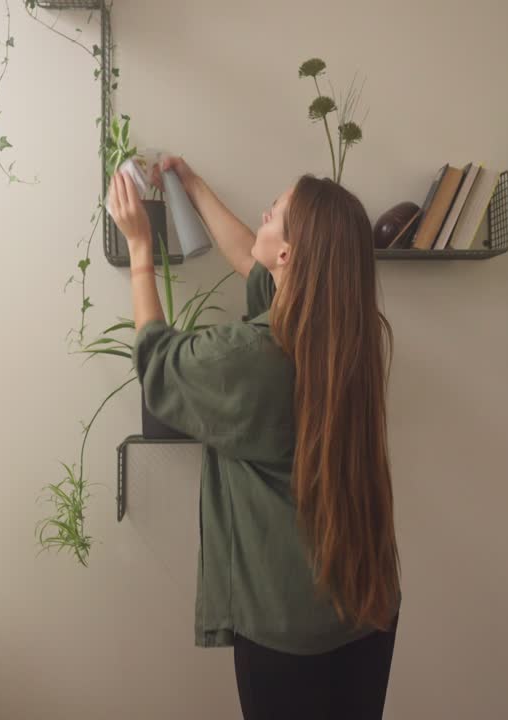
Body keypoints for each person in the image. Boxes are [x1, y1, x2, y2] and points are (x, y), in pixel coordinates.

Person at [106, 155, 401, 720]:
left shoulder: (252, 357)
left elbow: (158, 364)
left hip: (288, 626)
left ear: (289, 255)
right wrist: (190, 184)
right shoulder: (346, 335)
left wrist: (142, 251)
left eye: (275, 211)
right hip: (368, 603)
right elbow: (251, 257)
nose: (263, 213)